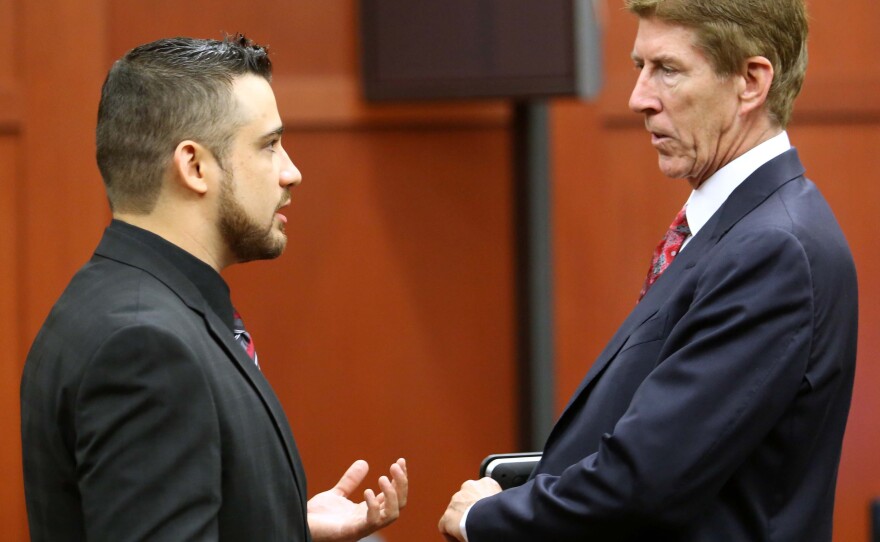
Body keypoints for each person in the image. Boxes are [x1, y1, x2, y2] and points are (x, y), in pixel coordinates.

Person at [439, 0, 858, 540]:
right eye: (640, 66)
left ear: (751, 82)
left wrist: (485, 518)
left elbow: (645, 483)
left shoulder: (772, 249)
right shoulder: (742, 229)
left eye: (668, 70)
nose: (638, 98)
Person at [20, 35, 407, 542]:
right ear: (195, 166)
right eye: (269, 145)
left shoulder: (105, 300)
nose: (291, 172)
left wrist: (282, 526)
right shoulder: (144, 348)